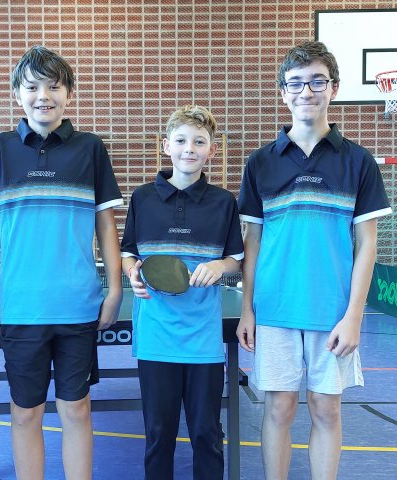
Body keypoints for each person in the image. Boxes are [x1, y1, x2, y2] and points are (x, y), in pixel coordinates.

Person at [236, 41, 392, 480]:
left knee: (327, 409)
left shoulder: (358, 161)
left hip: (332, 311)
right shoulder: (260, 163)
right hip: (275, 308)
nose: (306, 91)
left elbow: (367, 245)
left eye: (317, 82)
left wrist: (354, 316)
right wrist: (247, 309)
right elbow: (252, 243)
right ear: (283, 92)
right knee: (278, 409)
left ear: (333, 88)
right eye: (296, 83)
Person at [0, 45, 123, 480]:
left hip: (78, 305)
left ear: (68, 94)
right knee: (25, 413)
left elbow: (106, 225)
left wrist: (114, 289)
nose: (44, 96)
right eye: (33, 87)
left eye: (54, 87)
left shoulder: (90, 148)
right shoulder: (0, 149)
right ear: (17, 94)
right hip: (22, 308)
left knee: (76, 408)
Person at [121, 105, 244, 480]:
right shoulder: (142, 198)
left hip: (203, 340)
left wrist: (219, 267)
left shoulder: (224, 202)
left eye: (199, 142)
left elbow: (235, 260)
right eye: (180, 140)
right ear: (166, 146)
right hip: (156, 337)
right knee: (159, 436)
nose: (189, 148)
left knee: (207, 435)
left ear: (212, 151)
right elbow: (128, 253)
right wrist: (133, 273)